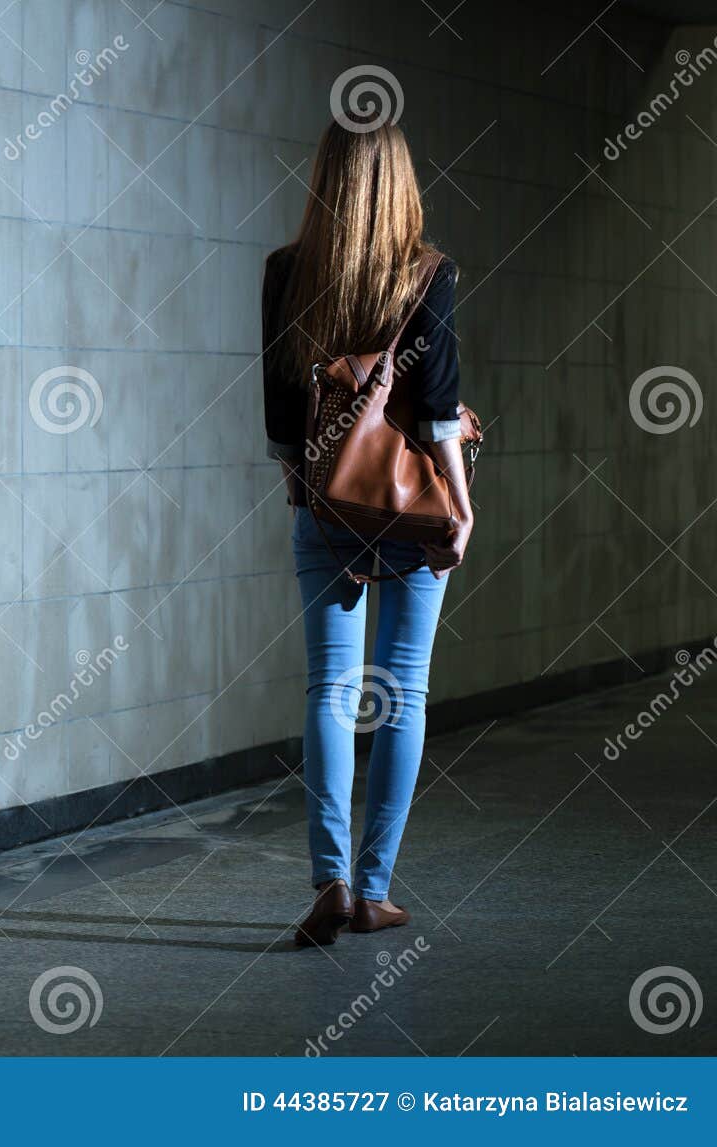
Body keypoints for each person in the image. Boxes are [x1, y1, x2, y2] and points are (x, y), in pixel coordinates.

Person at [260, 120, 475, 947]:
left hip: (323, 509)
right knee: (404, 691)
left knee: (328, 691)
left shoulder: (287, 272)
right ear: (400, 182)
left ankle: (330, 878)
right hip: (414, 508)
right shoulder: (427, 274)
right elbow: (440, 407)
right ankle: (374, 888)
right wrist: (458, 508)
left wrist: (309, 494)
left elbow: (281, 416)